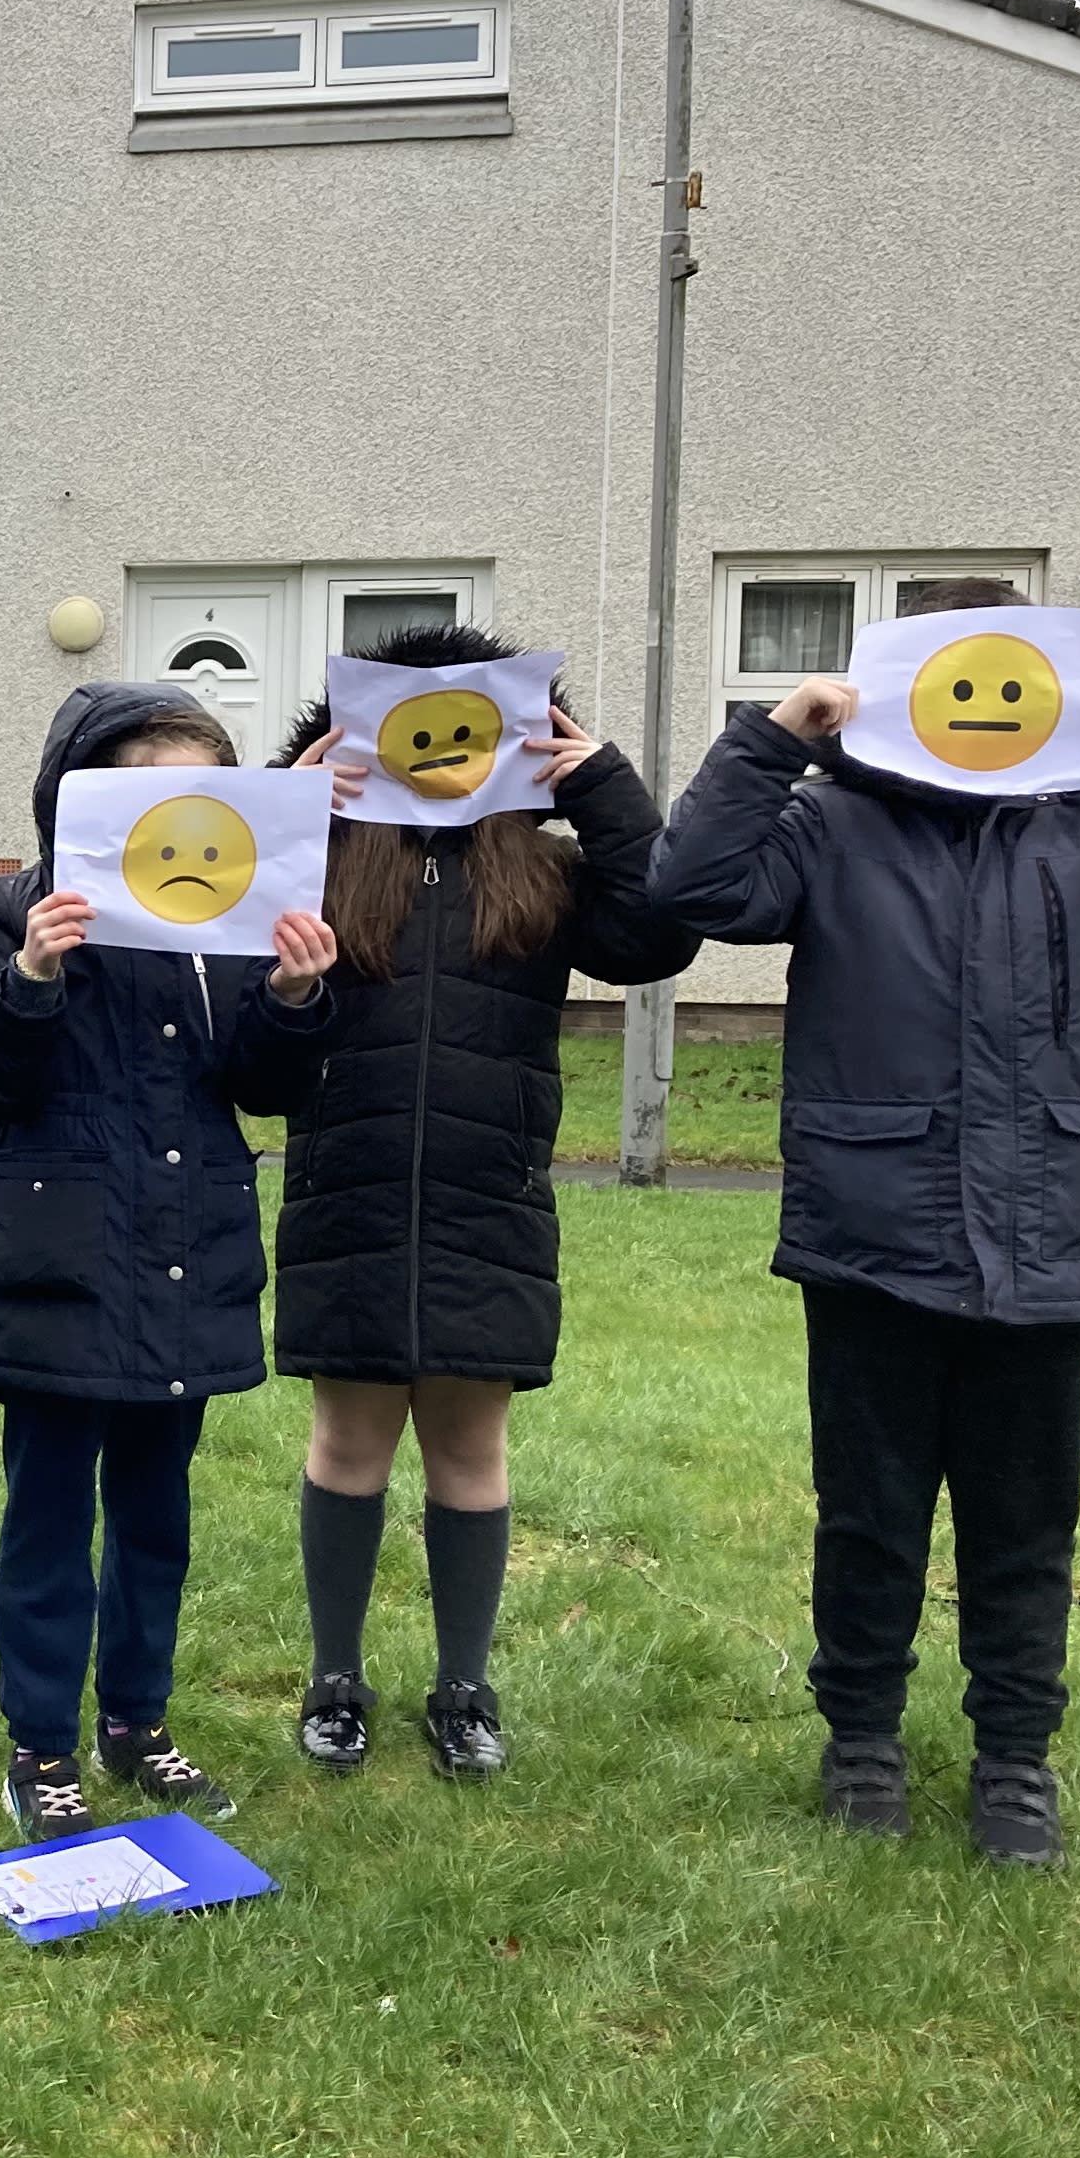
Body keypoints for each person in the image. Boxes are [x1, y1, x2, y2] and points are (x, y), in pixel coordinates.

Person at [646, 578, 1080, 1867]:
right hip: (871, 1230)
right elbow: (692, 889)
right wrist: (776, 736)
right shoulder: (831, 823)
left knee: (1024, 1521)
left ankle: (1016, 1760)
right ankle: (862, 1743)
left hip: (1053, 1230)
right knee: (869, 1511)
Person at [272, 629, 699, 1780]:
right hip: (344, 1195)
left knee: (471, 1449)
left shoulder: (542, 878)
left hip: (488, 1200)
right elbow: (214, 920)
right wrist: (285, 801)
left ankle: (465, 1687)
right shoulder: (320, 864)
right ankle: (335, 1677)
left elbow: (661, 929)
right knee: (347, 1444)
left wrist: (599, 784)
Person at [0, 685, 339, 1837]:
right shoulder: (14, 910)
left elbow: (262, 1086)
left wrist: (295, 996)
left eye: (201, 790)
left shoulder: (230, 909)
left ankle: (136, 1722)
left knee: (157, 1518)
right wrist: (32, 979)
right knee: (50, 1517)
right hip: (59, 1261)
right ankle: (40, 1745)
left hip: (187, 1254)